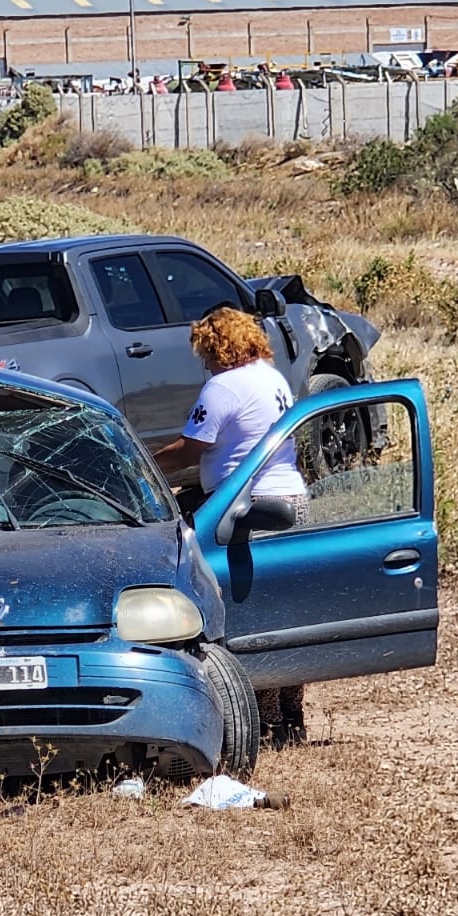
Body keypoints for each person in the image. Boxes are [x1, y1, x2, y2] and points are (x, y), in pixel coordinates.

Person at [153, 306, 311, 746]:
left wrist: (143, 465)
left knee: (246, 605)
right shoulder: (271, 376)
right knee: (286, 604)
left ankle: (266, 718)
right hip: (290, 496)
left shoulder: (223, 385)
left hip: (243, 504)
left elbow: (190, 449)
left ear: (217, 346)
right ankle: (292, 716)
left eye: (205, 351)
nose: (203, 361)